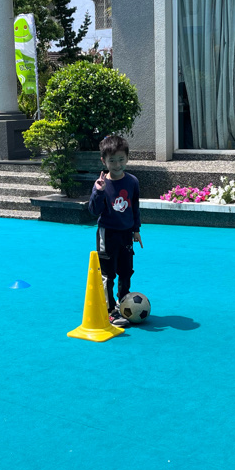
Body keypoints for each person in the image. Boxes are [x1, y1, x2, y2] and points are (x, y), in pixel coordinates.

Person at [87, 134, 143, 328]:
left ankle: (124, 302)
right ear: (104, 161)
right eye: (112, 161)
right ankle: (109, 309)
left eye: (121, 159)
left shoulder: (132, 182)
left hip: (126, 234)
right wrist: (98, 192)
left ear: (127, 158)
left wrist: (136, 230)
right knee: (108, 273)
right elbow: (94, 211)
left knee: (126, 271)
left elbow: (135, 208)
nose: (117, 165)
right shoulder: (101, 184)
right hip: (107, 234)